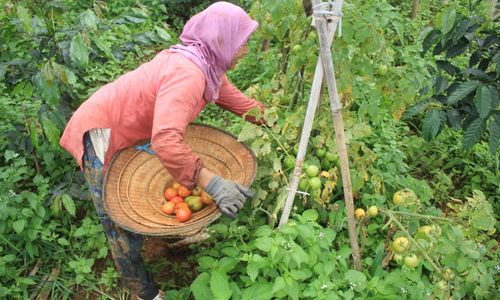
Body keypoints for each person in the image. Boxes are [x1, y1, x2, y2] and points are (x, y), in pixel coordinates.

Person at [59, 2, 264, 299]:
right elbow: (166, 140)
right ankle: (145, 293)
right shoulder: (189, 73)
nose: (246, 49)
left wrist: (279, 122)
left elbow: (244, 106)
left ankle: (162, 242)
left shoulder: (210, 68)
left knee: (146, 197)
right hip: (102, 130)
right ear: (222, 40)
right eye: (243, 42)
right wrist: (214, 184)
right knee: (117, 220)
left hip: (129, 127)